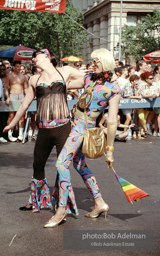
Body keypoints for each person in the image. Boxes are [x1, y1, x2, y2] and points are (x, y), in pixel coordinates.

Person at [43, 48, 121, 228]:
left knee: (61, 164)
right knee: (79, 165)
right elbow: (64, 83)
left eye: (96, 62)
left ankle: (61, 210)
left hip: (82, 129)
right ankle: (99, 202)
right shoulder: (89, 79)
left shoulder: (113, 89)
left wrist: (109, 151)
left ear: (105, 62)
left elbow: (112, 121)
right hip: (72, 125)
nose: (91, 64)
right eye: (91, 61)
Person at [3, 48, 85, 215]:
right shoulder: (34, 78)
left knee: (63, 167)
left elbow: (84, 80)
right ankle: (36, 201)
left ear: (47, 56)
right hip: (44, 129)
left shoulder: (65, 71)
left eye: (36, 55)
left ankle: (62, 204)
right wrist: (12, 123)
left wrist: (67, 85)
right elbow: (25, 104)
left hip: (63, 127)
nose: (33, 59)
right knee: (37, 164)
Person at [4, 60, 29, 142]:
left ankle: (20, 134)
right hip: (13, 95)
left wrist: (25, 98)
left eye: (19, 66)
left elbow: (26, 88)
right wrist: (7, 97)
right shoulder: (9, 76)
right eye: (17, 67)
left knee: (22, 116)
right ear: (13, 67)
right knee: (11, 115)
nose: (18, 68)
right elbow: (6, 88)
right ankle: (10, 135)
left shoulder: (23, 77)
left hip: (21, 96)